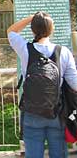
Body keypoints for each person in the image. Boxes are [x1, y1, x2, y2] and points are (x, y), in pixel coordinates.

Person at [7, 11, 77, 158]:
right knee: (58, 154)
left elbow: (11, 31)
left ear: (33, 30)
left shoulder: (26, 49)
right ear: (52, 29)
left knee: (33, 154)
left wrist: (32, 18)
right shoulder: (63, 52)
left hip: (32, 113)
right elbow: (74, 84)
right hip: (56, 113)